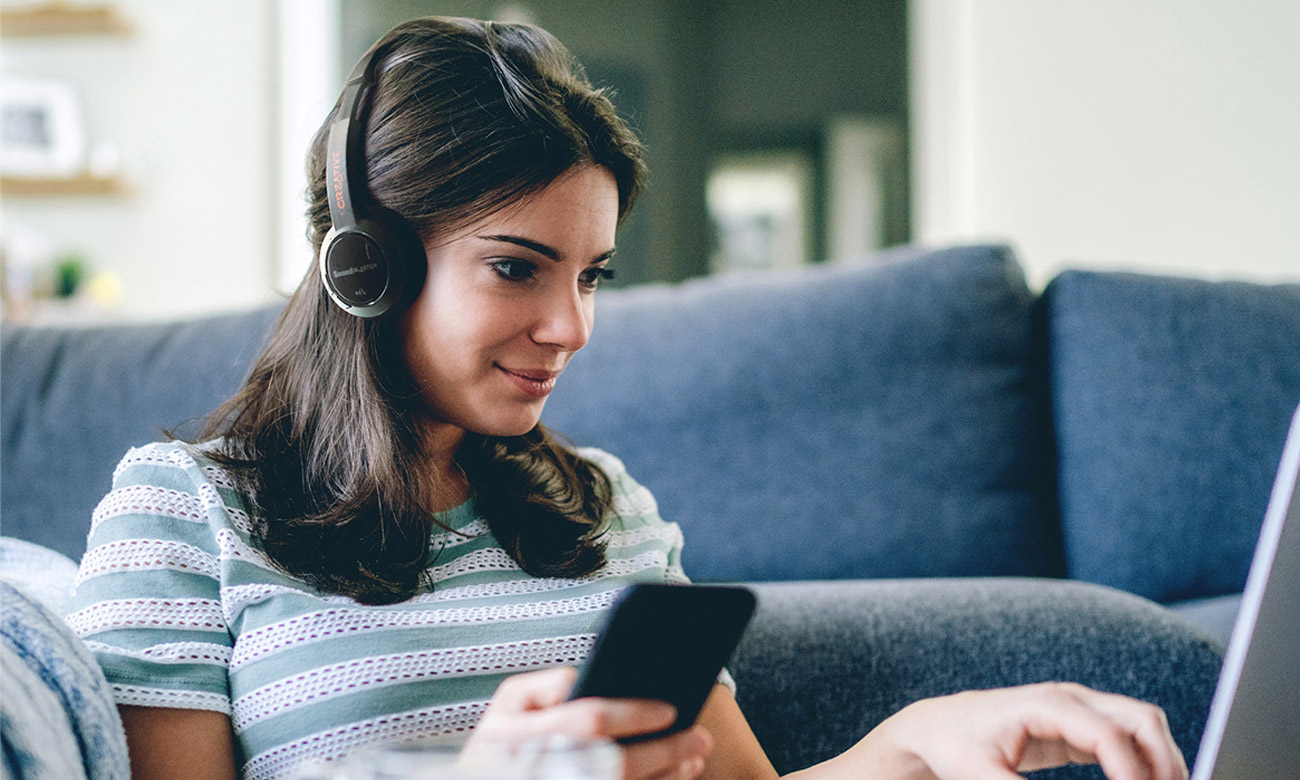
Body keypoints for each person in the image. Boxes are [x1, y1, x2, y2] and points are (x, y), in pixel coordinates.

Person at [67, 16, 1188, 780]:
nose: (572, 327)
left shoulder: (599, 506)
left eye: (589, 273)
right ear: (370, 265)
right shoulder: (182, 516)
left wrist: (922, 738)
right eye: (517, 267)